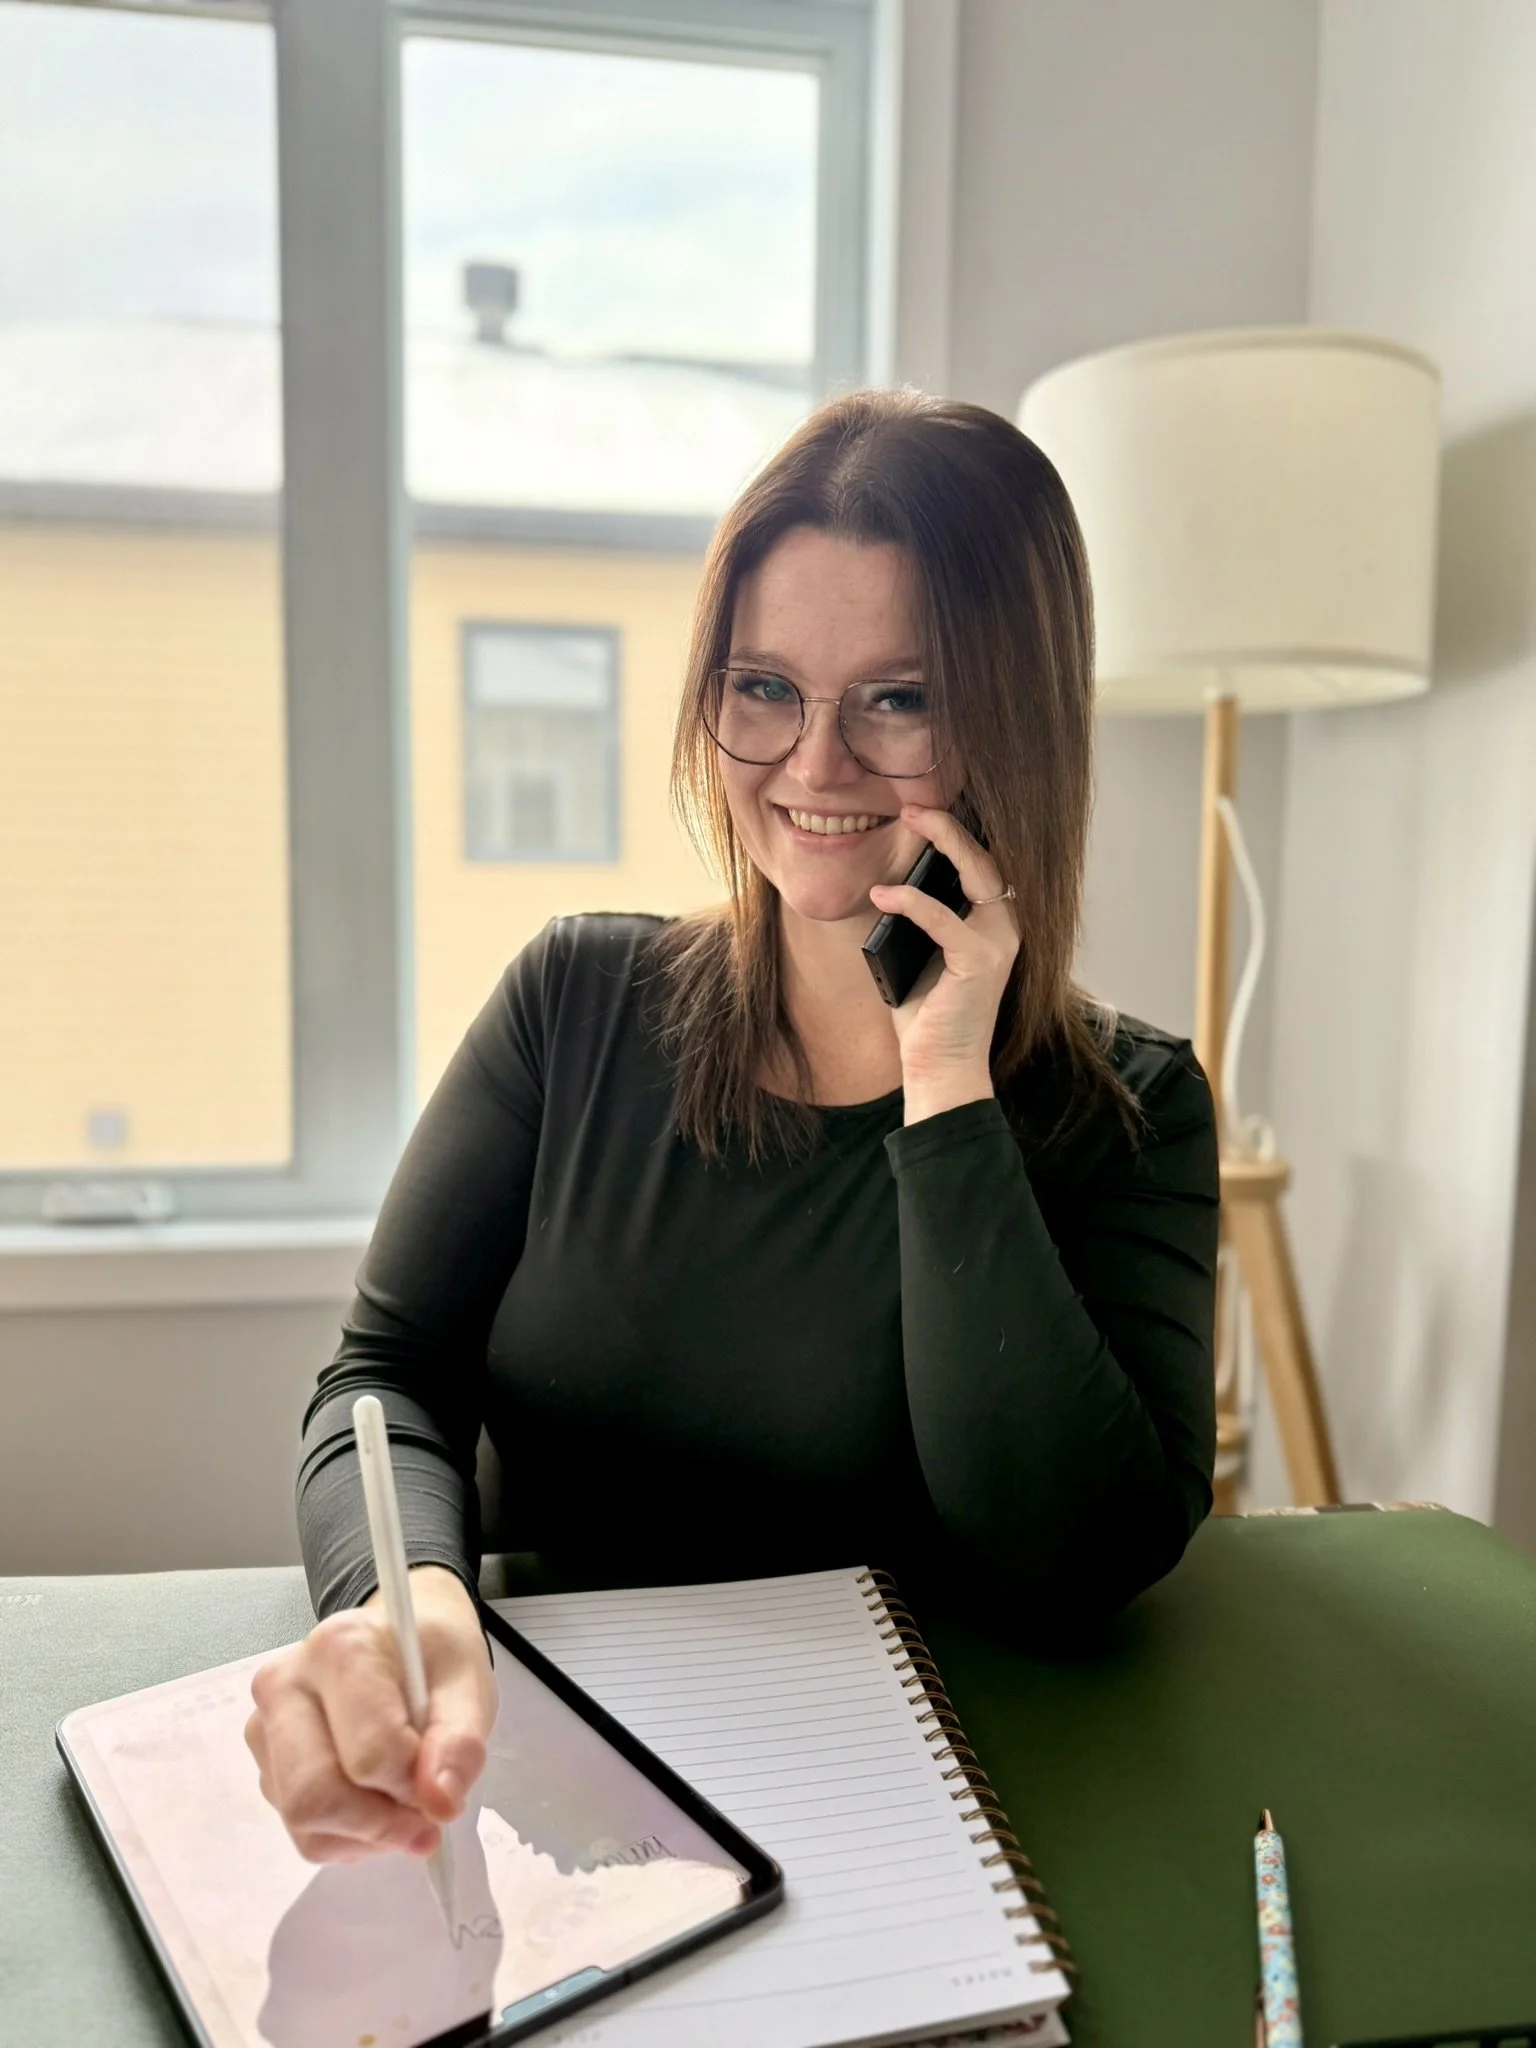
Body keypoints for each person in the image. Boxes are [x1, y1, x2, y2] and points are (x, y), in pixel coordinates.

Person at [246, 389, 1220, 1872]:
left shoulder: (1132, 1110)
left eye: (897, 698)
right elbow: (386, 1379)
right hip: (547, 1814)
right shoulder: (574, 1001)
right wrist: (411, 1599)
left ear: (1011, 721)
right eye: (764, 686)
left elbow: (1069, 1567)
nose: (813, 768)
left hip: (932, 1831)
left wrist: (946, 1079)